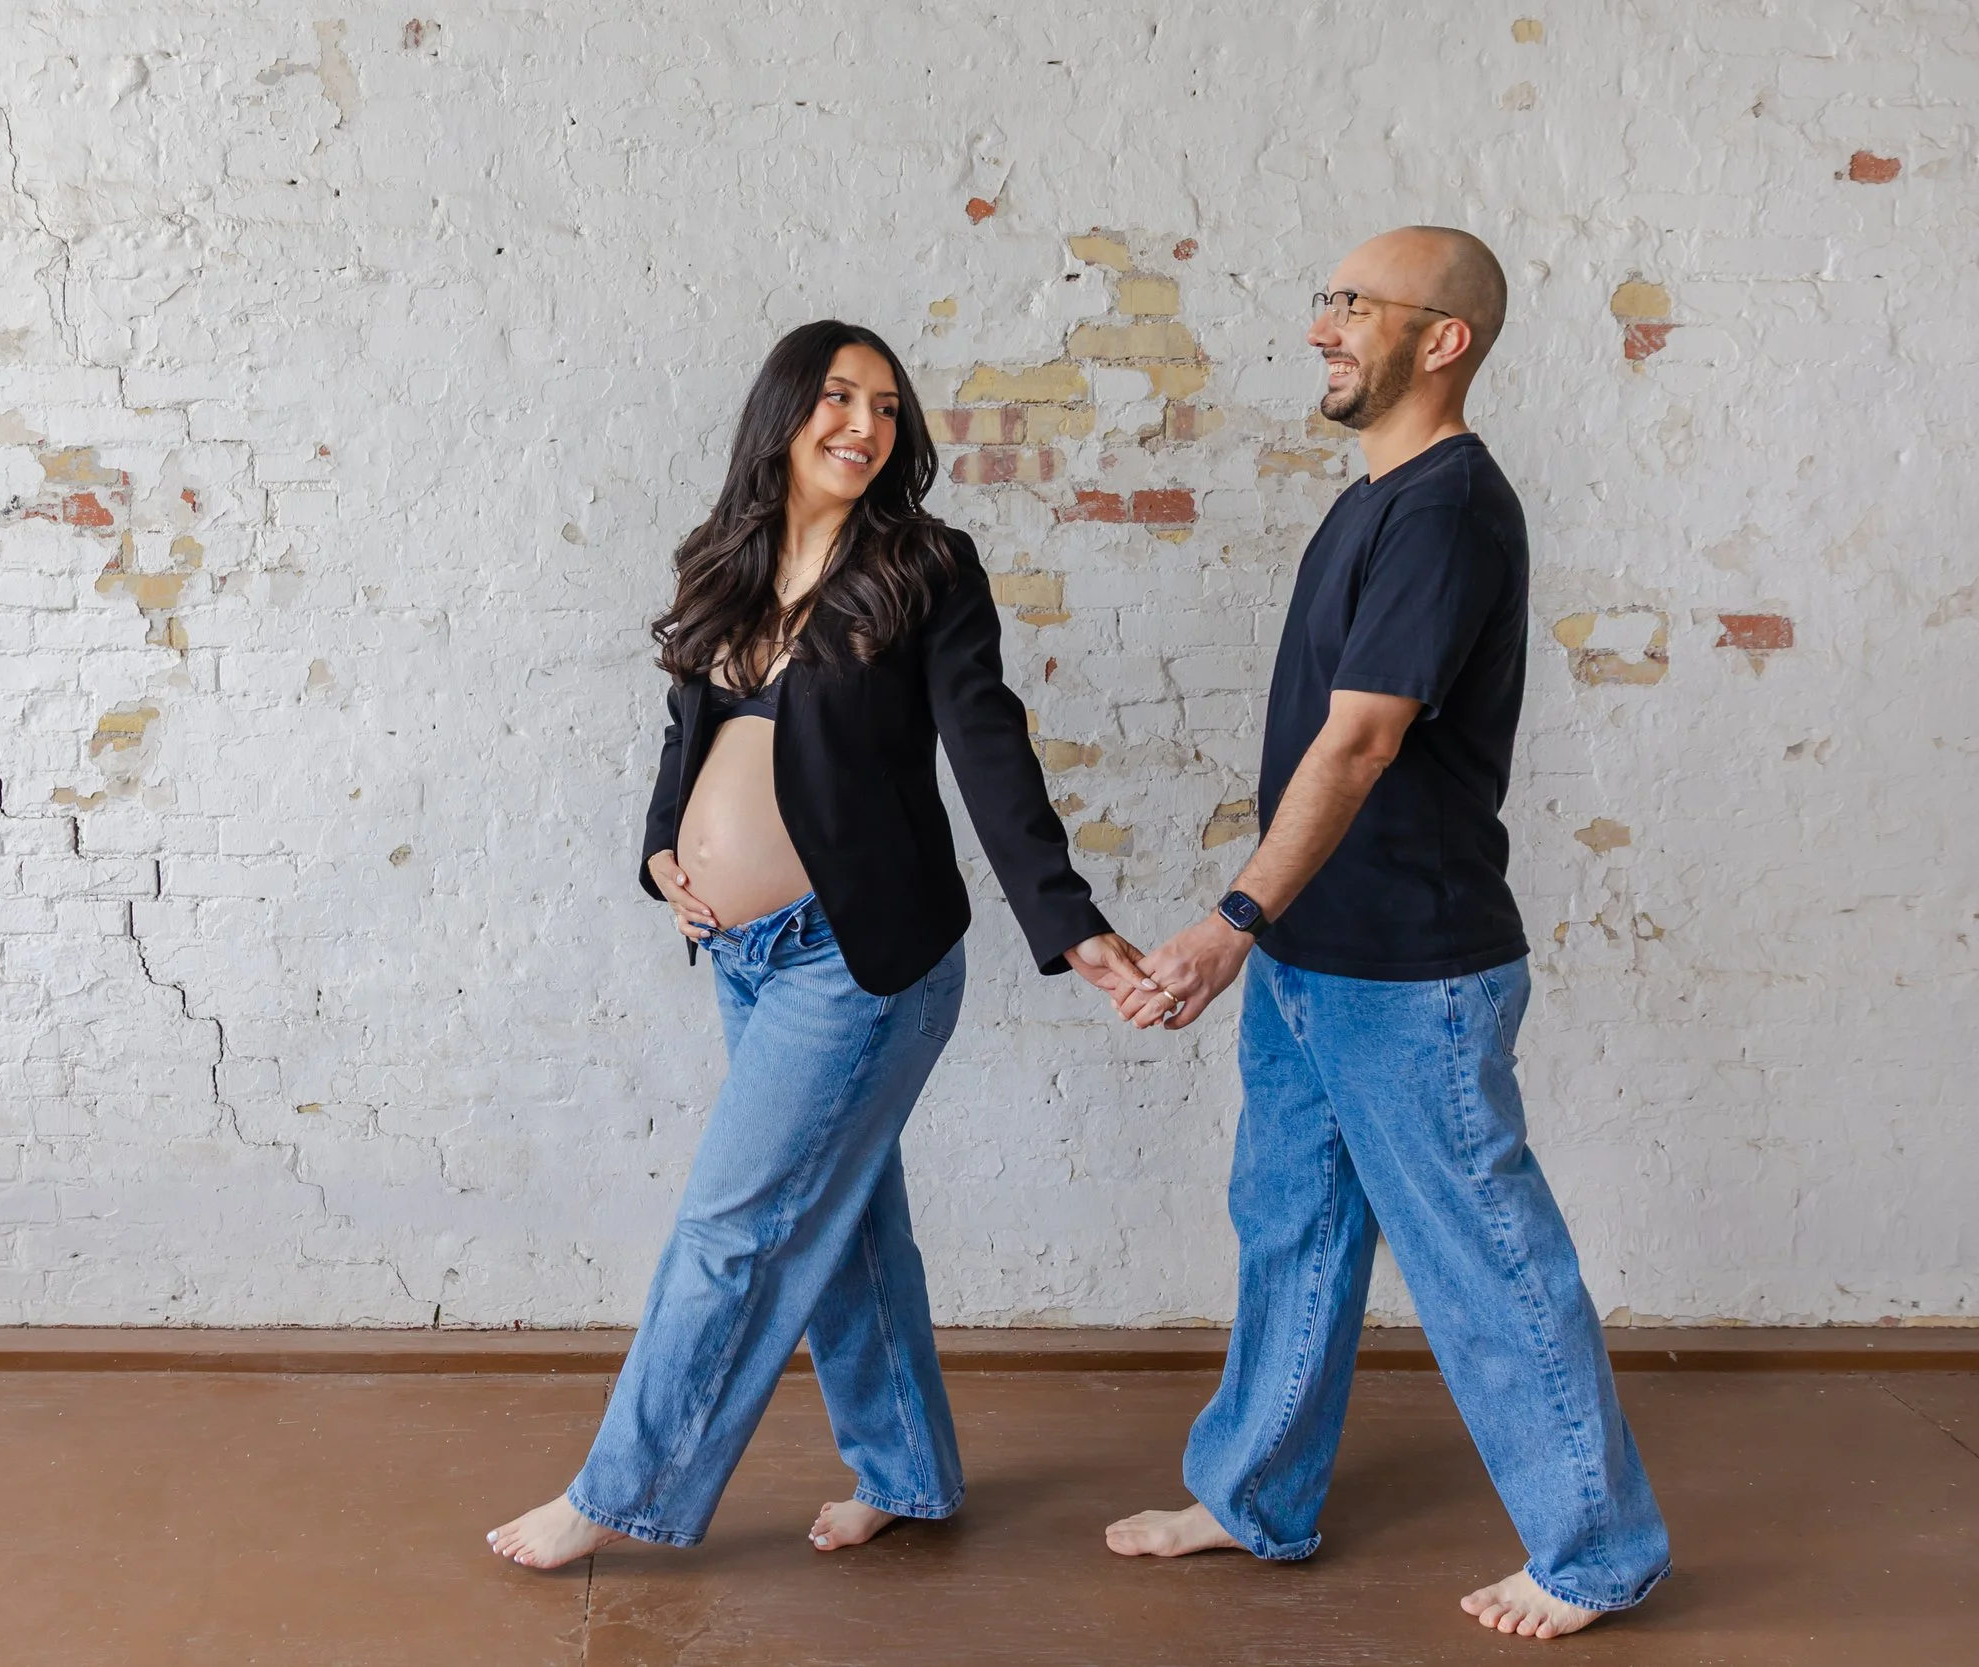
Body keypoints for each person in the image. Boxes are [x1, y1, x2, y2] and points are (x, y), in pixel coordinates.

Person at [489, 320, 1146, 1570]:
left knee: (733, 1223)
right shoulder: (724, 560)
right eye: (839, 398)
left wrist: (1071, 923)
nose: (864, 424)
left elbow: (987, 746)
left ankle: (618, 1492)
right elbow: (687, 740)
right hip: (743, 954)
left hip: (861, 959)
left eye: (887, 407)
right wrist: (661, 856)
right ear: (784, 414)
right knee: (843, 1220)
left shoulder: (924, 564)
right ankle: (908, 1471)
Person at [1103, 228, 1672, 1640]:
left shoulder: (1450, 511)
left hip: (1413, 971)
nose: (1323, 326)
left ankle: (1599, 1551)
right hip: (1317, 958)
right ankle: (1254, 1495)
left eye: (1356, 303)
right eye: (1328, 296)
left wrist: (1234, 917)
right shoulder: (1372, 499)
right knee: (1289, 1230)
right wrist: (1272, 936)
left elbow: (1359, 742)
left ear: (1445, 338)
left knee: (1487, 1258)